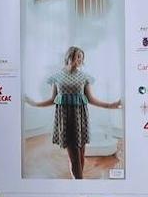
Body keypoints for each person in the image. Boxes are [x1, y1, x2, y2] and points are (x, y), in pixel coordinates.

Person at [25, 46, 122, 179]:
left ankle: (77, 183)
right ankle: (79, 183)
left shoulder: (84, 77)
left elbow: (91, 99)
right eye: (77, 56)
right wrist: (33, 103)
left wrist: (111, 105)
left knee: (81, 156)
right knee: (75, 157)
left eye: (81, 57)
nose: (79, 59)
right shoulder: (57, 77)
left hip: (80, 118)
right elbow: (52, 100)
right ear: (69, 56)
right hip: (65, 119)